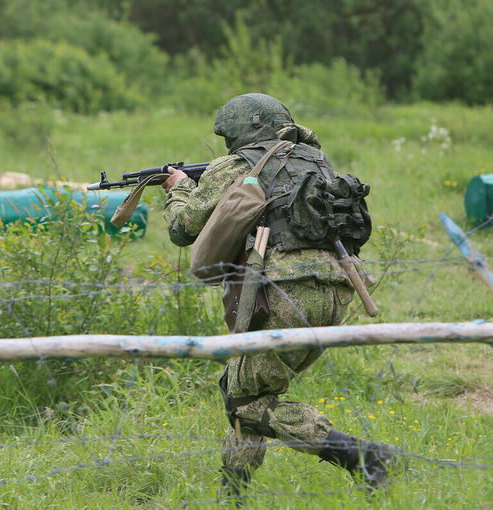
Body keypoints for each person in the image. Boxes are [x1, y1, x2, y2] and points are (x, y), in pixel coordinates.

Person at [161, 93, 398, 498]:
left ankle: (364, 456)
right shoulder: (316, 160)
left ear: (242, 132)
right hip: (339, 289)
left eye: (228, 138)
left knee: (247, 404)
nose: (226, 147)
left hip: (283, 294)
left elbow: (183, 228)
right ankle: (232, 495)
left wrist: (179, 189)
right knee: (242, 390)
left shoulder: (237, 164)